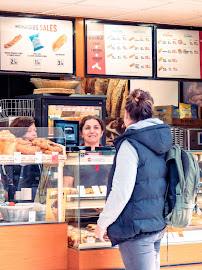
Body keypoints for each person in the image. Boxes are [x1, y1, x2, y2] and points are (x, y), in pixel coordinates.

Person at [94, 89, 173, 270]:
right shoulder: (162, 140)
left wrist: (102, 223)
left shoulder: (131, 144)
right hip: (155, 225)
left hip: (135, 228)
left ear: (127, 114)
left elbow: (122, 191)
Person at [63, 115, 109, 188]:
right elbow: (67, 186)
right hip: (81, 199)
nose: (92, 131)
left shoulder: (109, 155)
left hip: (106, 199)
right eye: (87, 128)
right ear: (81, 133)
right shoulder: (73, 156)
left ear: (101, 133)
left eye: (96, 128)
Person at [2, 116, 41, 201]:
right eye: (29, 131)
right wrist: (11, 196)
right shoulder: (9, 152)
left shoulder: (37, 152)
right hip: (14, 202)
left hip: (35, 200)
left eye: (35, 131)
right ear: (18, 133)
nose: (34, 134)